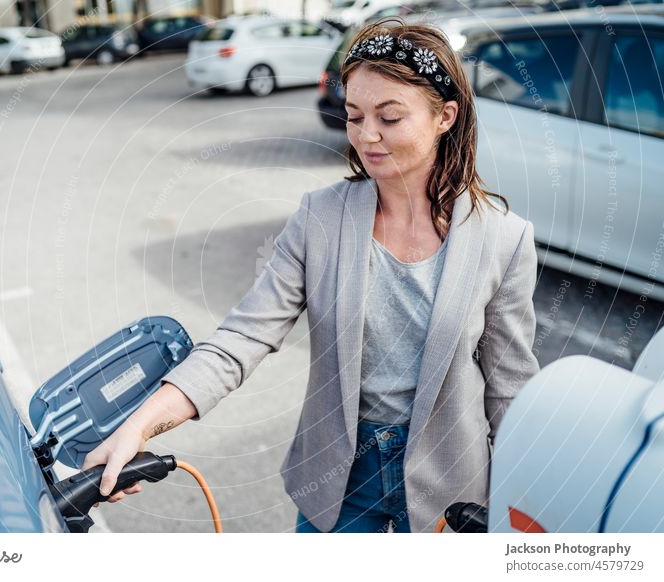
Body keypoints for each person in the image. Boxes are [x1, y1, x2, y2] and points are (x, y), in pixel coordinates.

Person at [81, 18, 540, 533]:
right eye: (354, 115)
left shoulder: (504, 239)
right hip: (342, 477)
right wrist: (140, 425)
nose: (368, 136)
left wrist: (537, 497)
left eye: (390, 118)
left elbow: (510, 389)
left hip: (451, 479)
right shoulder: (320, 219)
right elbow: (242, 338)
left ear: (445, 117)